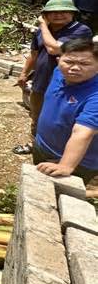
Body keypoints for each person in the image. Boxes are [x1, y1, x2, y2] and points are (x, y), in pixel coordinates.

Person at [14, 0, 92, 154]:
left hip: (66, 85)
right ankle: (35, 144)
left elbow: (54, 49)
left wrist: (42, 25)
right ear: (46, 15)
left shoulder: (80, 31)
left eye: (64, 11)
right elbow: (34, 54)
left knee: (62, 119)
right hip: (41, 80)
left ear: (72, 14)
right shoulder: (41, 32)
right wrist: (24, 73)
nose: (59, 15)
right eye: (53, 12)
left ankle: (64, 151)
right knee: (37, 115)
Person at [34, 38, 98, 184]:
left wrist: (65, 165)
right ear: (58, 60)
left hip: (76, 161)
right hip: (43, 146)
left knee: (60, 199)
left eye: (84, 64)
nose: (75, 68)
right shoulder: (59, 72)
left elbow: (82, 133)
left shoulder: (95, 95)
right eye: (69, 62)